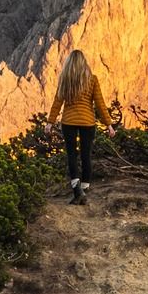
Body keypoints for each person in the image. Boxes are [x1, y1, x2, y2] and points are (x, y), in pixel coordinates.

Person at [45, 47, 119, 202]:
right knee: (86, 155)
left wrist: (50, 122)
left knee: (72, 155)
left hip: (69, 122)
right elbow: (100, 104)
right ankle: (84, 188)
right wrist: (109, 124)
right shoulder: (92, 79)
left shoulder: (65, 79)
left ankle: (77, 190)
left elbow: (57, 103)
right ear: (84, 63)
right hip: (87, 122)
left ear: (69, 64)